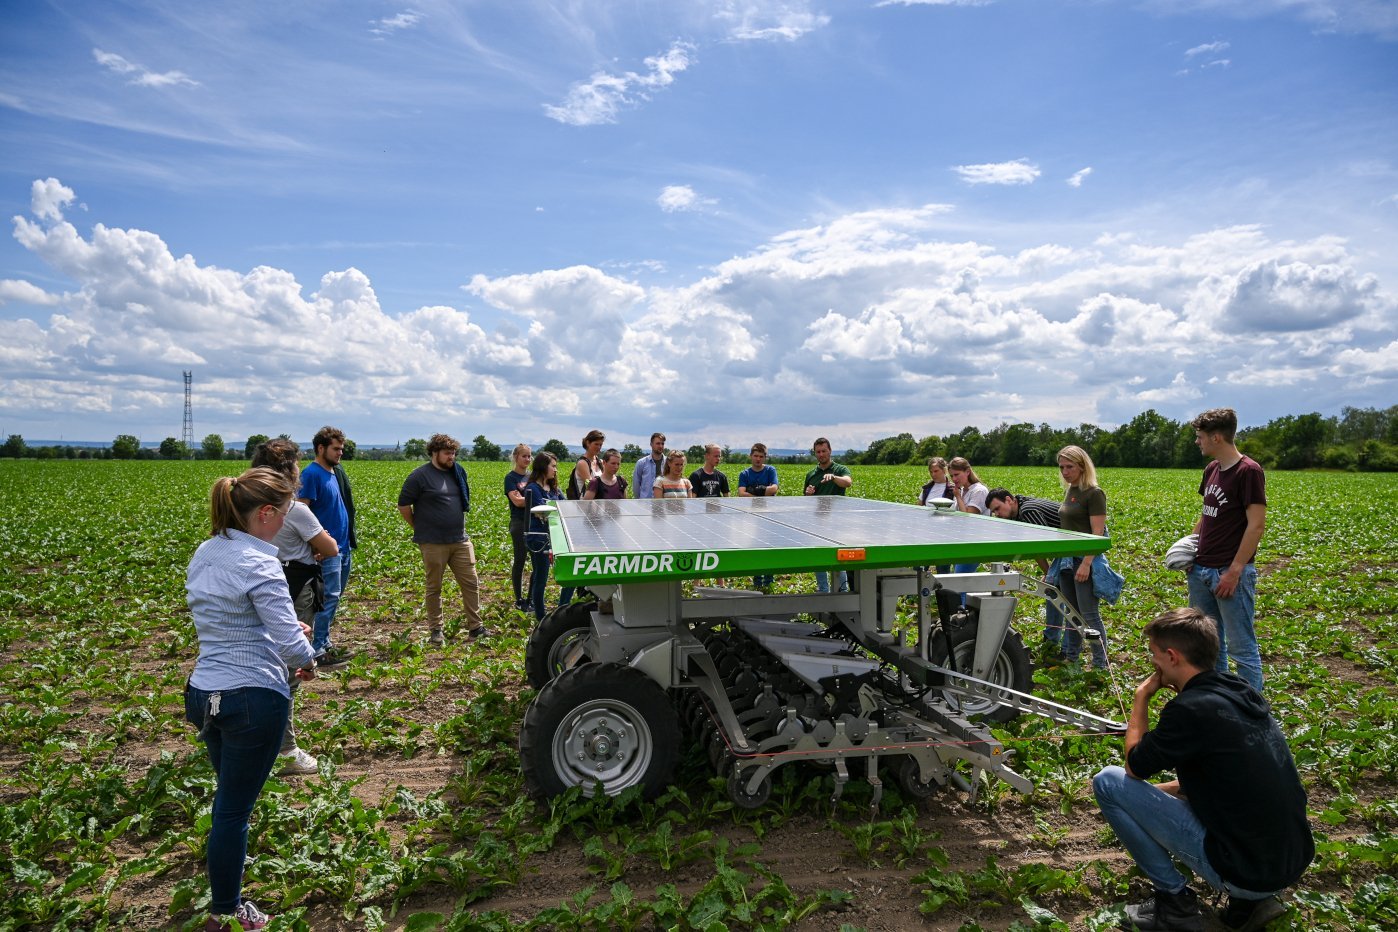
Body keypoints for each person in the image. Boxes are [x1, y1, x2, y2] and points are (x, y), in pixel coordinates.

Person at [1092, 607, 1312, 932]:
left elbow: (1134, 765)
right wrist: (1147, 800)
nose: (1151, 662)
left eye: (1153, 654)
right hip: (1287, 862)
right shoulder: (1238, 692)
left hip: (1245, 871)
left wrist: (1141, 699)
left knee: (1109, 782)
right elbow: (1213, 782)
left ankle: (1175, 904)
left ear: (1172, 656)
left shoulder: (1189, 710)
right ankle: (1250, 905)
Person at [185, 467, 317, 932]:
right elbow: (290, 645)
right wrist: (308, 656)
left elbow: (232, 621)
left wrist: (284, 634)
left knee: (229, 801)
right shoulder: (261, 562)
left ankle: (229, 869)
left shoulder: (206, 551)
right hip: (251, 698)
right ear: (265, 513)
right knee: (233, 809)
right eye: (284, 513)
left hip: (203, 693)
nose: (286, 521)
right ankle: (227, 910)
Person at [250, 439, 338, 776]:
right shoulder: (292, 508)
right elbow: (328, 547)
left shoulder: (241, 503)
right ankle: (285, 750)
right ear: (289, 469)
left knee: (256, 661)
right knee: (288, 670)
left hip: (249, 584)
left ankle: (251, 737)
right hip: (292, 585)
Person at [1188, 408, 1267, 692]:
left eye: (1200, 437)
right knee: (1210, 645)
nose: (1198, 442)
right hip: (1201, 570)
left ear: (1217, 437)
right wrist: (1190, 549)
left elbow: (1256, 526)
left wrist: (1234, 572)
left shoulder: (1249, 472)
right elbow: (1207, 514)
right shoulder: (1211, 469)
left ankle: (1251, 712)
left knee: (1242, 648)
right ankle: (1219, 701)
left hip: (1229, 572)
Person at [396, 433, 486, 646]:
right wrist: (420, 528)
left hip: (460, 540)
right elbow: (403, 506)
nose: (451, 457)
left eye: (453, 453)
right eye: (447, 453)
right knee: (434, 587)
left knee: (471, 583)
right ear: (434, 453)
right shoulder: (420, 476)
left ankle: (476, 628)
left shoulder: (457, 473)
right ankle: (436, 630)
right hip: (433, 542)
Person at [297, 426, 354, 669]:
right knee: (326, 600)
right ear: (321, 448)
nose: (340, 453)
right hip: (327, 551)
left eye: (342, 448)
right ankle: (318, 649)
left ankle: (325, 641)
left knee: (334, 597)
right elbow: (302, 510)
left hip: (342, 547)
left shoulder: (332, 472)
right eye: (336, 448)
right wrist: (314, 544)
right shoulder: (312, 474)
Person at [986, 487, 1065, 653]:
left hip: (1078, 542)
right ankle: (1052, 638)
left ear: (1009, 500)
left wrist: (1050, 574)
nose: (996, 514)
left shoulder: (1027, 511)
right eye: (993, 512)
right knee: (1052, 587)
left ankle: (1052, 640)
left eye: (997, 508)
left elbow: (1043, 544)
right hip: (1066, 546)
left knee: (1054, 590)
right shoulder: (1019, 511)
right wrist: (1048, 573)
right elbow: (1035, 547)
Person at [1055, 445, 1110, 669]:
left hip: (1084, 560)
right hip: (1067, 560)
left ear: (1082, 466)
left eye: (1070, 467)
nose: (1065, 472)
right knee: (1071, 612)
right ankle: (1072, 656)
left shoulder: (1094, 493)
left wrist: (1086, 563)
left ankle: (1100, 663)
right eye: (1062, 467)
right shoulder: (1071, 490)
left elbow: (1097, 533)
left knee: (1089, 614)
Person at [523, 453, 574, 619]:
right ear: (543, 467)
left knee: (570, 574)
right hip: (539, 538)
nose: (555, 470)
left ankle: (561, 610)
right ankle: (541, 617)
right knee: (541, 577)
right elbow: (541, 513)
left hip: (556, 536)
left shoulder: (554, 489)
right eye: (553, 466)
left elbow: (565, 506)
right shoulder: (532, 489)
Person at [804, 437, 853, 594]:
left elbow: (847, 482)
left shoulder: (839, 469)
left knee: (839, 557)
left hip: (837, 521)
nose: (821, 454)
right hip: (818, 521)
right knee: (819, 556)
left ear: (830, 451)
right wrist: (808, 494)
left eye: (824, 451)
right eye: (818, 452)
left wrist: (833, 477)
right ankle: (823, 590)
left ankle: (842, 589)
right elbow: (805, 500)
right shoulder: (811, 474)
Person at [738, 443, 780, 589]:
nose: (758, 459)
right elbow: (741, 494)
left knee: (769, 548)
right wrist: (764, 491)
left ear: (765, 457)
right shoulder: (745, 474)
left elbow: (774, 488)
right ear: (751, 456)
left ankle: (768, 581)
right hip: (752, 516)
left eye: (761, 456)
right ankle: (757, 581)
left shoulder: (770, 470)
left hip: (768, 516)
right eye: (755, 456)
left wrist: (755, 490)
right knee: (755, 547)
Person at [504, 443, 532, 612]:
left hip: (533, 522)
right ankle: (519, 599)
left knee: (537, 562)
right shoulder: (511, 478)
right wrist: (537, 498)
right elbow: (517, 501)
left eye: (529, 456)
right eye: (524, 456)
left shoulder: (532, 476)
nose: (527, 459)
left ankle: (531, 598)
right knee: (520, 560)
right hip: (519, 523)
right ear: (516, 457)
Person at [567, 429, 605, 501]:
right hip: (584, 504)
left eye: (601, 445)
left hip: (598, 503)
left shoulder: (600, 462)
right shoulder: (582, 463)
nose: (599, 447)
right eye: (596, 444)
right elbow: (591, 486)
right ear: (588, 443)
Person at [632, 431, 667, 500]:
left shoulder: (668, 462)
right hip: (645, 503)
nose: (660, 446)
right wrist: (639, 501)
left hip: (663, 503)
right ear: (651, 444)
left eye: (662, 444)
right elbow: (636, 485)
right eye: (658, 443)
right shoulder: (641, 463)